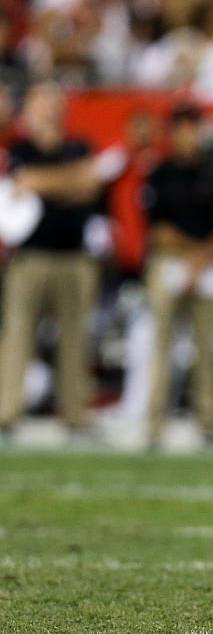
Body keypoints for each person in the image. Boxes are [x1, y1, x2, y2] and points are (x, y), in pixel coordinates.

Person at [0, 82, 106, 439]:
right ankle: (6, 412)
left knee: (76, 339)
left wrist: (44, 183)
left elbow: (89, 184)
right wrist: (67, 181)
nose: (50, 107)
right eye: (42, 100)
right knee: (17, 336)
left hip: (74, 257)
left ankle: (76, 415)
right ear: (27, 109)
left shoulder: (78, 145)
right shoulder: (19, 150)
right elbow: (23, 181)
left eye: (54, 100)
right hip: (30, 258)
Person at [142, 102, 213, 449]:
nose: (190, 137)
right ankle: (154, 423)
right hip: (170, 261)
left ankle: (209, 423)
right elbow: (157, 231)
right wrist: (193, 256)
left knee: (207, 348)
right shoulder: (160, 173)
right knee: (161, 345)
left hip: (206, 264)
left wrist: (200, 259)